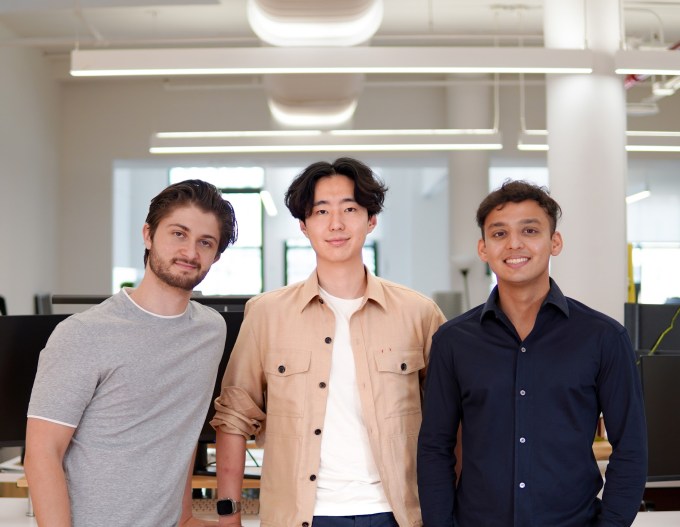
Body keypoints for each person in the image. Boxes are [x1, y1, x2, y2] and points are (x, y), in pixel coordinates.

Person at [211, 157, 446, 527]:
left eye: (350, 208)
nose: (336, 223)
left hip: (398, 514)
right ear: (304, 226)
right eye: (321, 211)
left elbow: (451, 422)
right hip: (301, 516)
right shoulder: (267, 314)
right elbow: (234, 417)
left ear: (371, 220)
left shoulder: (419, 313)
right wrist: (229, 517)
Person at [417, 180, 647, 526]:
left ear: (555, 242)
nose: (514, 244)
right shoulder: (453, 341)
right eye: (499, 234)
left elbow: (630, 447)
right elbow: (435, 447)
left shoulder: (603, 337)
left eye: (530, 230)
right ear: (483, 248)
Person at [24, 179, 238, 527]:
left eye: (205, 242)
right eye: (178, 234)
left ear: (215, 255)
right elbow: (42, 454)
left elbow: (177, 435)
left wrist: (185, 518)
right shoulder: (83, 334)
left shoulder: (211, 331)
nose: (190, 252)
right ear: (148, 235)